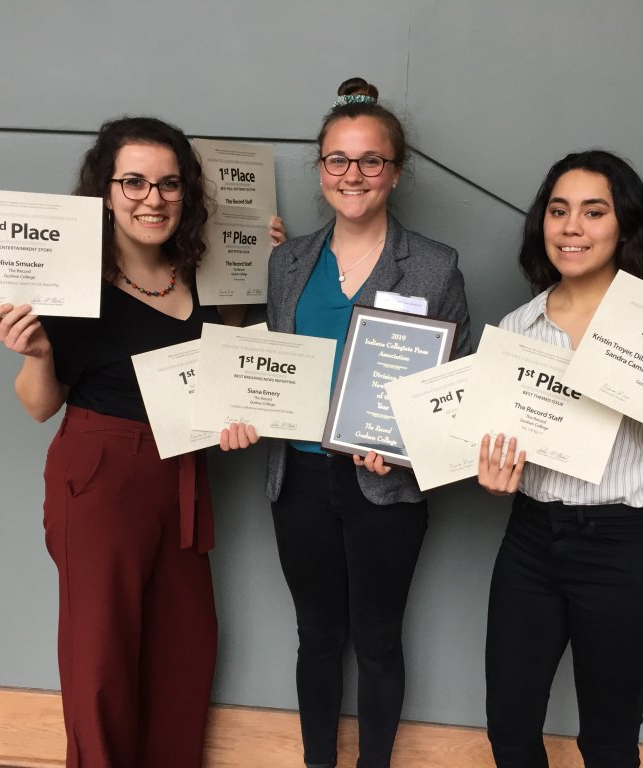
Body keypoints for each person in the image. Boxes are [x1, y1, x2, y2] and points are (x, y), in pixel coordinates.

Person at [0, 116, 283, 768]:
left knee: (185, 654)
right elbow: (40, 406)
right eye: (135, 182)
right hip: (100, 478)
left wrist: (259, 260)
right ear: (106, 190)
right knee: (101, 664)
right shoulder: (71, 283)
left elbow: (226, 360)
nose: (153, 198)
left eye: (169, 184)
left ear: (188, 193)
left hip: (181, 474)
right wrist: (35, 351)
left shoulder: (203, 275)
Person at [221, 78, 471, 768]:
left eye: (370, 161)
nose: (352, 174)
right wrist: (243, 414)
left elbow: (457, 393)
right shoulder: (288, 261)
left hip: (385, 486)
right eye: (338, 159)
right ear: (320, 167)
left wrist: (408, 447)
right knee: (317, 637)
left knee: (379, 640)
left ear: (395, 171)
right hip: (296, 479)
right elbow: (270, 368)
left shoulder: (435, 266)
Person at [477, 149, 643, 768]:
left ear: (624, 224)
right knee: (510, 733)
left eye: (593, 211)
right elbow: (498, 448)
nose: (572, 227)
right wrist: (493, 476)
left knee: (608, 742)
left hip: (630, 547)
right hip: (532, 541)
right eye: (558, 211)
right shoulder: (517, 329)